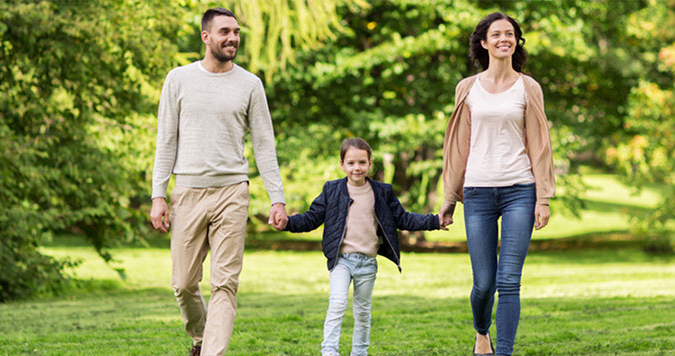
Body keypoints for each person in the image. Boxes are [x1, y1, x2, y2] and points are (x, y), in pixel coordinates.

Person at [149, 7, 287, 356]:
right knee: (183, 284)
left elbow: (264, 143)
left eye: (237, 32)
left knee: (224, 283)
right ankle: (200, 338)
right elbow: (166, 139)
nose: (233, 38)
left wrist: (277, 197)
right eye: (225, 31)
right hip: (188, 192)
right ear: (205, 37)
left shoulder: (250, 84)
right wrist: (158, 195)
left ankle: (213, 352)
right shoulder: (178, 79)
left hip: (232, 192)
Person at [438, 12, 555, 356]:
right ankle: (481, 333)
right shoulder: (467, 88)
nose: (505, 39)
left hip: (520, 189)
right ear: (484, 42)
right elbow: (458, 146)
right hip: (478, 192)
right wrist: (450, 196)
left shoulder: (528, 87)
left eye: (511, 34)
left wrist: (543, 197)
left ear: (516, 42)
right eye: (497, 34)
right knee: (484, 284)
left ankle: (503, 352)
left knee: (508, 282)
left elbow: (540, 144)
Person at [277, 138, 440, 356]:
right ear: (342, 165)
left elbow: (403, 219)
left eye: (362, 162)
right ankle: (329, 351)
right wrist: (288, 222)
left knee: (362, 312)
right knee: (337, 303)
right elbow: (311, 218)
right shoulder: (332, 190)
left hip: (367, 263)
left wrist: (435, 221)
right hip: (341, 260)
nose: (357, 168)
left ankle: (359, 352)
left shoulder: (382, 192)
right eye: (351, 163)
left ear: (370, 164)